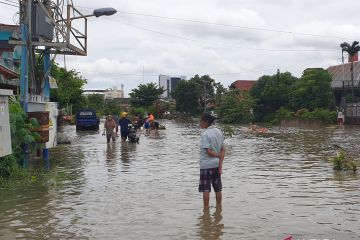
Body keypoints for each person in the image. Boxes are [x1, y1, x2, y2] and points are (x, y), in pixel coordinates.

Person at [199, 112, 225, 208]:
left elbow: (208, 151)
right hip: (217, 166)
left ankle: (206, 210)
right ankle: (219, 207)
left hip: (206, 165)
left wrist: (217, 155)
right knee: (218, 188)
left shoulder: (205, 134)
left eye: (200, 121)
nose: (199, 123)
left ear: (206, 122)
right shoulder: (219, 131)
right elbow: (223, 149)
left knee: (206, 189)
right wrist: (220, 164)